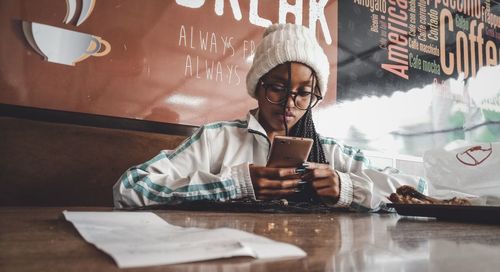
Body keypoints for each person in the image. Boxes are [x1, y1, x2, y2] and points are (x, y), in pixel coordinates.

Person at [113, 23, 424, 210]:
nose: (290, 103)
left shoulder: (329, 153)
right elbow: (130, 189)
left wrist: (348, 189)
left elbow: (416, 189)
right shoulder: (216, 140)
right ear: (257, 87)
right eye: (278, 87)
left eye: (303, 93)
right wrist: (235, 184)